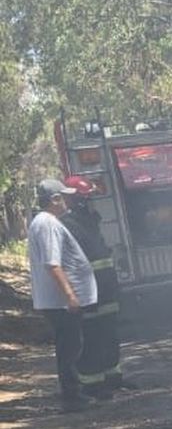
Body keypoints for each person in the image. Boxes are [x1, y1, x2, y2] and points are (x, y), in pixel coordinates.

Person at [27, 178, 99, 412]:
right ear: (55, 199)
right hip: (60, 302)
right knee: (70, 347)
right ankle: (72, 396)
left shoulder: (44, 221)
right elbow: (52, 264)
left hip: (57, 301)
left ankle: (73, 392)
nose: (69, 200)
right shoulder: (47, 223)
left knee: (69, 344)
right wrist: (70, 295)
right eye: (65, 196)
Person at [62, 175, 135, 395]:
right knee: (93, 336)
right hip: (87, 289)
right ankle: (93, 385)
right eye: (85, 197)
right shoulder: (67, 224)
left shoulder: (91, 219)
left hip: (106, 287)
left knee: (110, 333)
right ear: (73, 199)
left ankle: (113, 377)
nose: (89, 201)